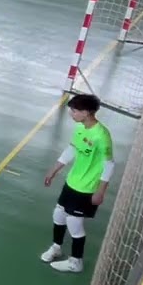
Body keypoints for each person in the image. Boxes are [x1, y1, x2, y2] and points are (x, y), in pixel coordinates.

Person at [41, 93, 114, 274]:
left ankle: (76, 262)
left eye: (74, 111)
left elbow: (109, 164)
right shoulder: (80, 127)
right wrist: (54, 170)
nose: (71, 114)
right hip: (72, 182)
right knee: (59, 214)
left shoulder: (101, 135)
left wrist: (101, 191)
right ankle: (56, 247)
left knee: (74, 223)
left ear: (86, 112)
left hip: (87, 188)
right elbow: (72, 149)